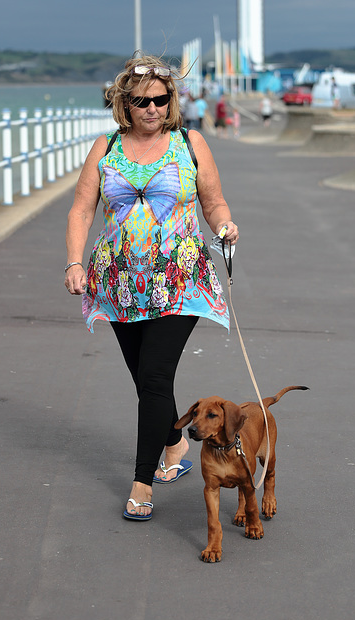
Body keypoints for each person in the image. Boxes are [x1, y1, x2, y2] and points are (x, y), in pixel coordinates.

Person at [65, 54, 239, 521]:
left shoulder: (190, 142)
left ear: (171, 101)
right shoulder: (106, 147)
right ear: (125, 103)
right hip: (119, 282)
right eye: (142, 101)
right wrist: (74, 262)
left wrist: (224, 226)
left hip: (181, 281)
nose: (153, 109)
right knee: (146, 379)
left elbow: (214, 202)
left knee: (156, 377)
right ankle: (175, 441)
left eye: (161, 100)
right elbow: (82, 210)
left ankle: (142, 484)